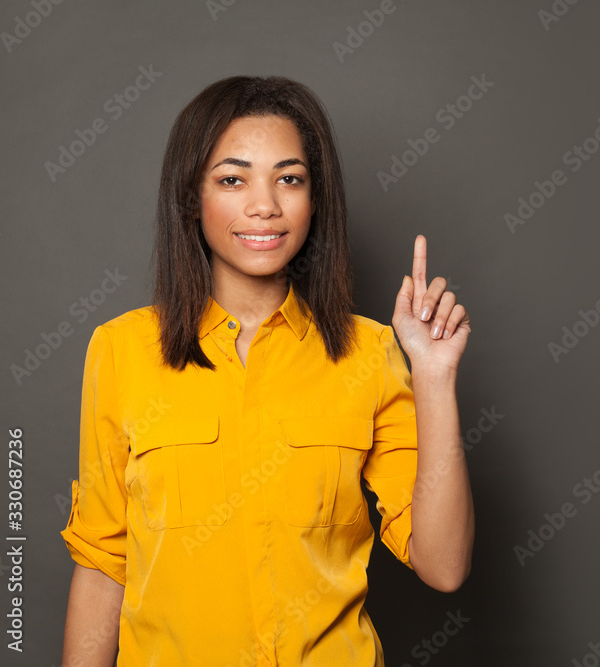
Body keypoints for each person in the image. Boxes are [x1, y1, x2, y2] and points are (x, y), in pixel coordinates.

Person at [59, 75, 474, 666]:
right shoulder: (121, 351)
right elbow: (103, 565)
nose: (265, 205)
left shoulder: (369, 354)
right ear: (190, 198)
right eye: (233, 178)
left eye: (289, 178)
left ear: (314, 199)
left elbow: (445, 566)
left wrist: (434, 379)